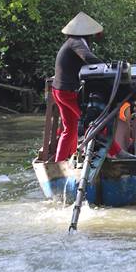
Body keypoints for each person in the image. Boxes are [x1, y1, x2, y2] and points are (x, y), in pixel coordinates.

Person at [51, 12, 103, 162]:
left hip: (59, 90)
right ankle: (116, 152)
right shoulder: (76, 42)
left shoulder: (72, 42)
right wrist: (106, 67)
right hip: (67, 92)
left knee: (70, 129)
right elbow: (88, 58)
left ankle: (60, 163)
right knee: (94, 124)